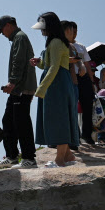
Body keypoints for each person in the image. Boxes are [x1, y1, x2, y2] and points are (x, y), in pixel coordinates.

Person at [30, 12, 80, 167]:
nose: (41, 31)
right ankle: (67, 156)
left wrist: (41, 88)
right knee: (58, 118)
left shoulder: (57, 42)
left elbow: (54, 67)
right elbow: (47, 65)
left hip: (57, 84)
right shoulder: (54, 42)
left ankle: (59, 160)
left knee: (60, 120)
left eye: (43, 28)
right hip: (55, 82)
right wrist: (38, 63)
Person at [0, 16, 38, 169]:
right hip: (18, 89)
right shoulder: (17, 39)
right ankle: (12, 156)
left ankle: (29, 158)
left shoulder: (20, 37)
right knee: (8, 120)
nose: (3, 34)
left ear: (8, 26)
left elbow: (18, 61)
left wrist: (12, 82)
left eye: (2, 31)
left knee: (21, 122)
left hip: (22, 88)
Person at [65, 21, 96, 144]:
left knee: (88, 106)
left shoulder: (81, 47)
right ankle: (75, 135)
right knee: (72, 106)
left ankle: (87, 135)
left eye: (75, 31)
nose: (74, 34)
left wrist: (91, 81)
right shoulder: (64, 45)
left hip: (84, 78)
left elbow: (87, 64)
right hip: (71, 77)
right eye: (72, 31)